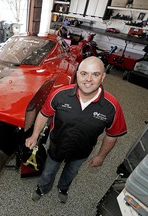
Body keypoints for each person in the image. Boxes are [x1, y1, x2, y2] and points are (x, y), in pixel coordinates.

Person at [25, 56, 127, 203]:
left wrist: (101, 156)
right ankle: (42, 188)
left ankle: (63, 188)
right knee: (48, 170)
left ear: (103, 77)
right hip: (56, 145)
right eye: (84, 73)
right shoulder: (60, 95)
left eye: (95, 74)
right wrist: (35, 135)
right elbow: (44, 114)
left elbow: (112, 135)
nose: (88, 79)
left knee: (71, 172)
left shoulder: (112, 107)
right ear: (77, 74)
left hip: (81, 151)